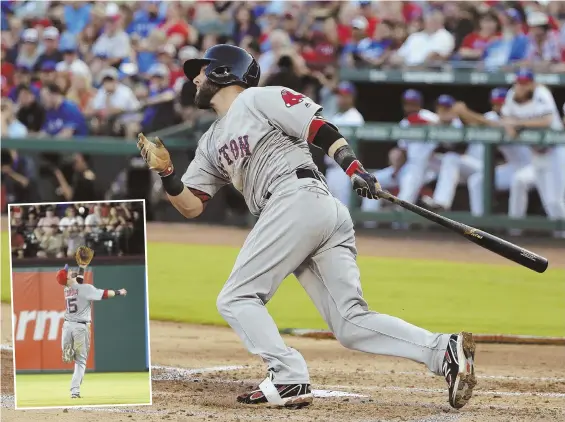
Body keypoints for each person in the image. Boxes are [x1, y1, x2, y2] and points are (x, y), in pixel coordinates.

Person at [137, 44, 476, 410]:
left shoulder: (258, 99)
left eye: (201, 70)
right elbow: (190, 206)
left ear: (223, 72)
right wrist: (167, 173)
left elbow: (317, 127)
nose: (195, 78)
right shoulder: (210, 142)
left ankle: (286, 377)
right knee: (350, 322)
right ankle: (444, 350)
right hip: (303, 209)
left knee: (236, 297)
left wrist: (352, 165)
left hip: (296, 196)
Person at [503, 69, 565, 237]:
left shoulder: (542, 93)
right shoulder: (511, 95)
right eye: (518, 82)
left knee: (555, 199)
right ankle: (558, 235)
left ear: (532, 83)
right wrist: (511, 126)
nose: (521, 86)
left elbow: (547, 120)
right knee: (548, 201)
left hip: (556, 150)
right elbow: (506, 119)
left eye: (525, 83)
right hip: (536, 153)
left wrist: (520, 123)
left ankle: (562, 235)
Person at [453, 88, 532, 217]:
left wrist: (465, 112)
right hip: (513, 167)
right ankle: (479, 224)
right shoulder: (492, 115)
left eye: (501, 103)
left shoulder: (518, 114)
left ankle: (515, 229)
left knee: (519, 181)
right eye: (495, 103)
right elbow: (479, 124)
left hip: (531, 165)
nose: (498, 106)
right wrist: (463, 115)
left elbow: (493, 124)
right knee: (477, 180)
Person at [361, 89, 439, 220]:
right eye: (407, 103)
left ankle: (401, 227)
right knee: (372, 180)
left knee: (406, 191)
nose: (410, 107)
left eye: (413, 103)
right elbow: (403, 150)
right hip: (408, 166)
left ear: (420, 104)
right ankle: (369, 221)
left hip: (427, 167)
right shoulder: (404, 123)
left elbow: (442, 132)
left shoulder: (430, 117)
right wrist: (396, 167)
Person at [57, 258, 127, 398]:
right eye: (69, 271)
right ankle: (75, 391)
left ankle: (68, 352)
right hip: (80, 329)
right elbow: (104, 294)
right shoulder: (86, 289)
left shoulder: (67, 289)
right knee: (81, 361)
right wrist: (119, 292)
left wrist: (82, 267)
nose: (71, 271)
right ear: (68, 278)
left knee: (69, 357)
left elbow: (78, 284)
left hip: (67, 327)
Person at [324, 81, 365, 207]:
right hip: (331, 169)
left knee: (343, 210)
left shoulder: (355, 117)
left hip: (344, 171)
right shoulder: (337, 116)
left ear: (351, 97)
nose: (340, 98)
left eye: (343, 95)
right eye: (339, 95)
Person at [390, 10, 455, 67]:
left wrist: (415, 66)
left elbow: (435, 56)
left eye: (435, 20)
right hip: (407, 69)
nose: (432, 23)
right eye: (430, 20)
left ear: (441, 22)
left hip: (430, 71)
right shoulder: (415, 36)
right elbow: (400, 55)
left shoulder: (445, 36)